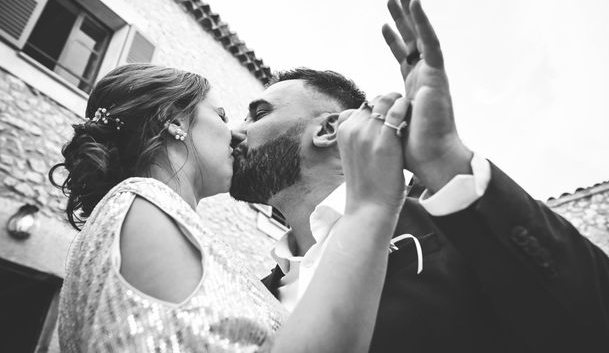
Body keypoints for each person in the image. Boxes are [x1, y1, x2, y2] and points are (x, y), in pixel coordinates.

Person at [231, 0, 609, 353]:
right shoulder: (256, 293)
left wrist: (446, 158)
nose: (237, 130)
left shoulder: (447, 225)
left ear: (327, 129)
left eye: (259, 113)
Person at [52, 63, 413, 352]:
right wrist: (372, 210)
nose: (236, 132)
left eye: (255, 115)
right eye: (222, 116)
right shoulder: (144, 204)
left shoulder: (422, 226)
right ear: (175, 122)